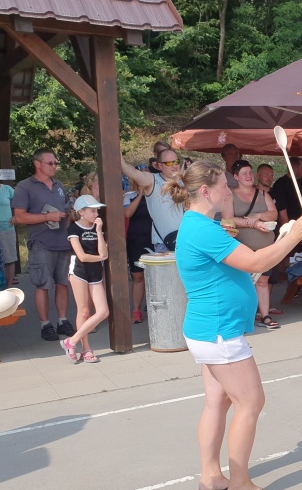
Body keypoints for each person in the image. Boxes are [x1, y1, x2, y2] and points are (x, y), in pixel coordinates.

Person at [167, 161, 302, 490]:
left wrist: (283, 238)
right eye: (224, 185)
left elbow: (244, 266)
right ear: (206, 191)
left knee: (218, 402)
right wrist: (294, 237)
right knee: (250, 403)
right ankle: (240, 486)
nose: (229, 190)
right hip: (219, 331)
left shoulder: (199, 225)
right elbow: (255, 262)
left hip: (209, 328)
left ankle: (211, 476)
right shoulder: (203, 229)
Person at [11, 149, 76, 341]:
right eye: (50, 163)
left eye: (56, 163)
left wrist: (71, 213)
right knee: (43, 284)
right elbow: (19, 217)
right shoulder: (24, 186)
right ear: (37, 164)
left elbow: (65, 209)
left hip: (62, 241)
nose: (54, 166)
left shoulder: (59, 185)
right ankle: (45, 324)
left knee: (63, 283)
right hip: (41, 243)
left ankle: (63, 321)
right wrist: (47, 217)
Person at [60, 195, 109, 364]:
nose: (96, 214)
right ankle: (86, 348)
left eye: (97, 210)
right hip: (79, 272)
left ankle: (71, 341)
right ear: (81, 212)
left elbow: (103, 251)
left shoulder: (98, 226)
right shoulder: (74, 229)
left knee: (103, 311)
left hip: (95, 273)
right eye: (92, 211)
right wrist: (100, 257)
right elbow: (82, 256)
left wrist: (99, 232)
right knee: (84, 311)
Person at [230, 161, 279, 329]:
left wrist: (258, 216)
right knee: (243, 282)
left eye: (250, 172)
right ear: (236, 177)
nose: (249, 176)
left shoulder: (263, 194)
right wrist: (252, 223)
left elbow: (274, 214)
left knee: (263, 281)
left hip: (265, 246)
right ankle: (242, 317)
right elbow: (228, 218)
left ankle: (265, 316)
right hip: (242, 246)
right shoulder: (230, 195)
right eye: (244, 173)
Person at [121, 149, 184, 252]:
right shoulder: (152, 180)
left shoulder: (183, 181)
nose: (174, 166)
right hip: (165, 244)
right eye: (169, 163)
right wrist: (118, 155)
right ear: (160, 166)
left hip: (186, 240)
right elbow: (132, 172)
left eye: (176, 162)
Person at [124, 185, 151, 323]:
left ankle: (153, 305)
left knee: (155, 275)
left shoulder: (157, 194)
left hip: (155, 239)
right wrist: (140, 195)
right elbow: (127, 213)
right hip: (136, 240)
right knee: (138, 275)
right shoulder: (129, 196)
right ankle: (136, 310)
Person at [270, 157, 302, 228]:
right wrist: (287, 227)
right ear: (295, 168)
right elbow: (282, 209)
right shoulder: (280, 184)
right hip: (291, 225)